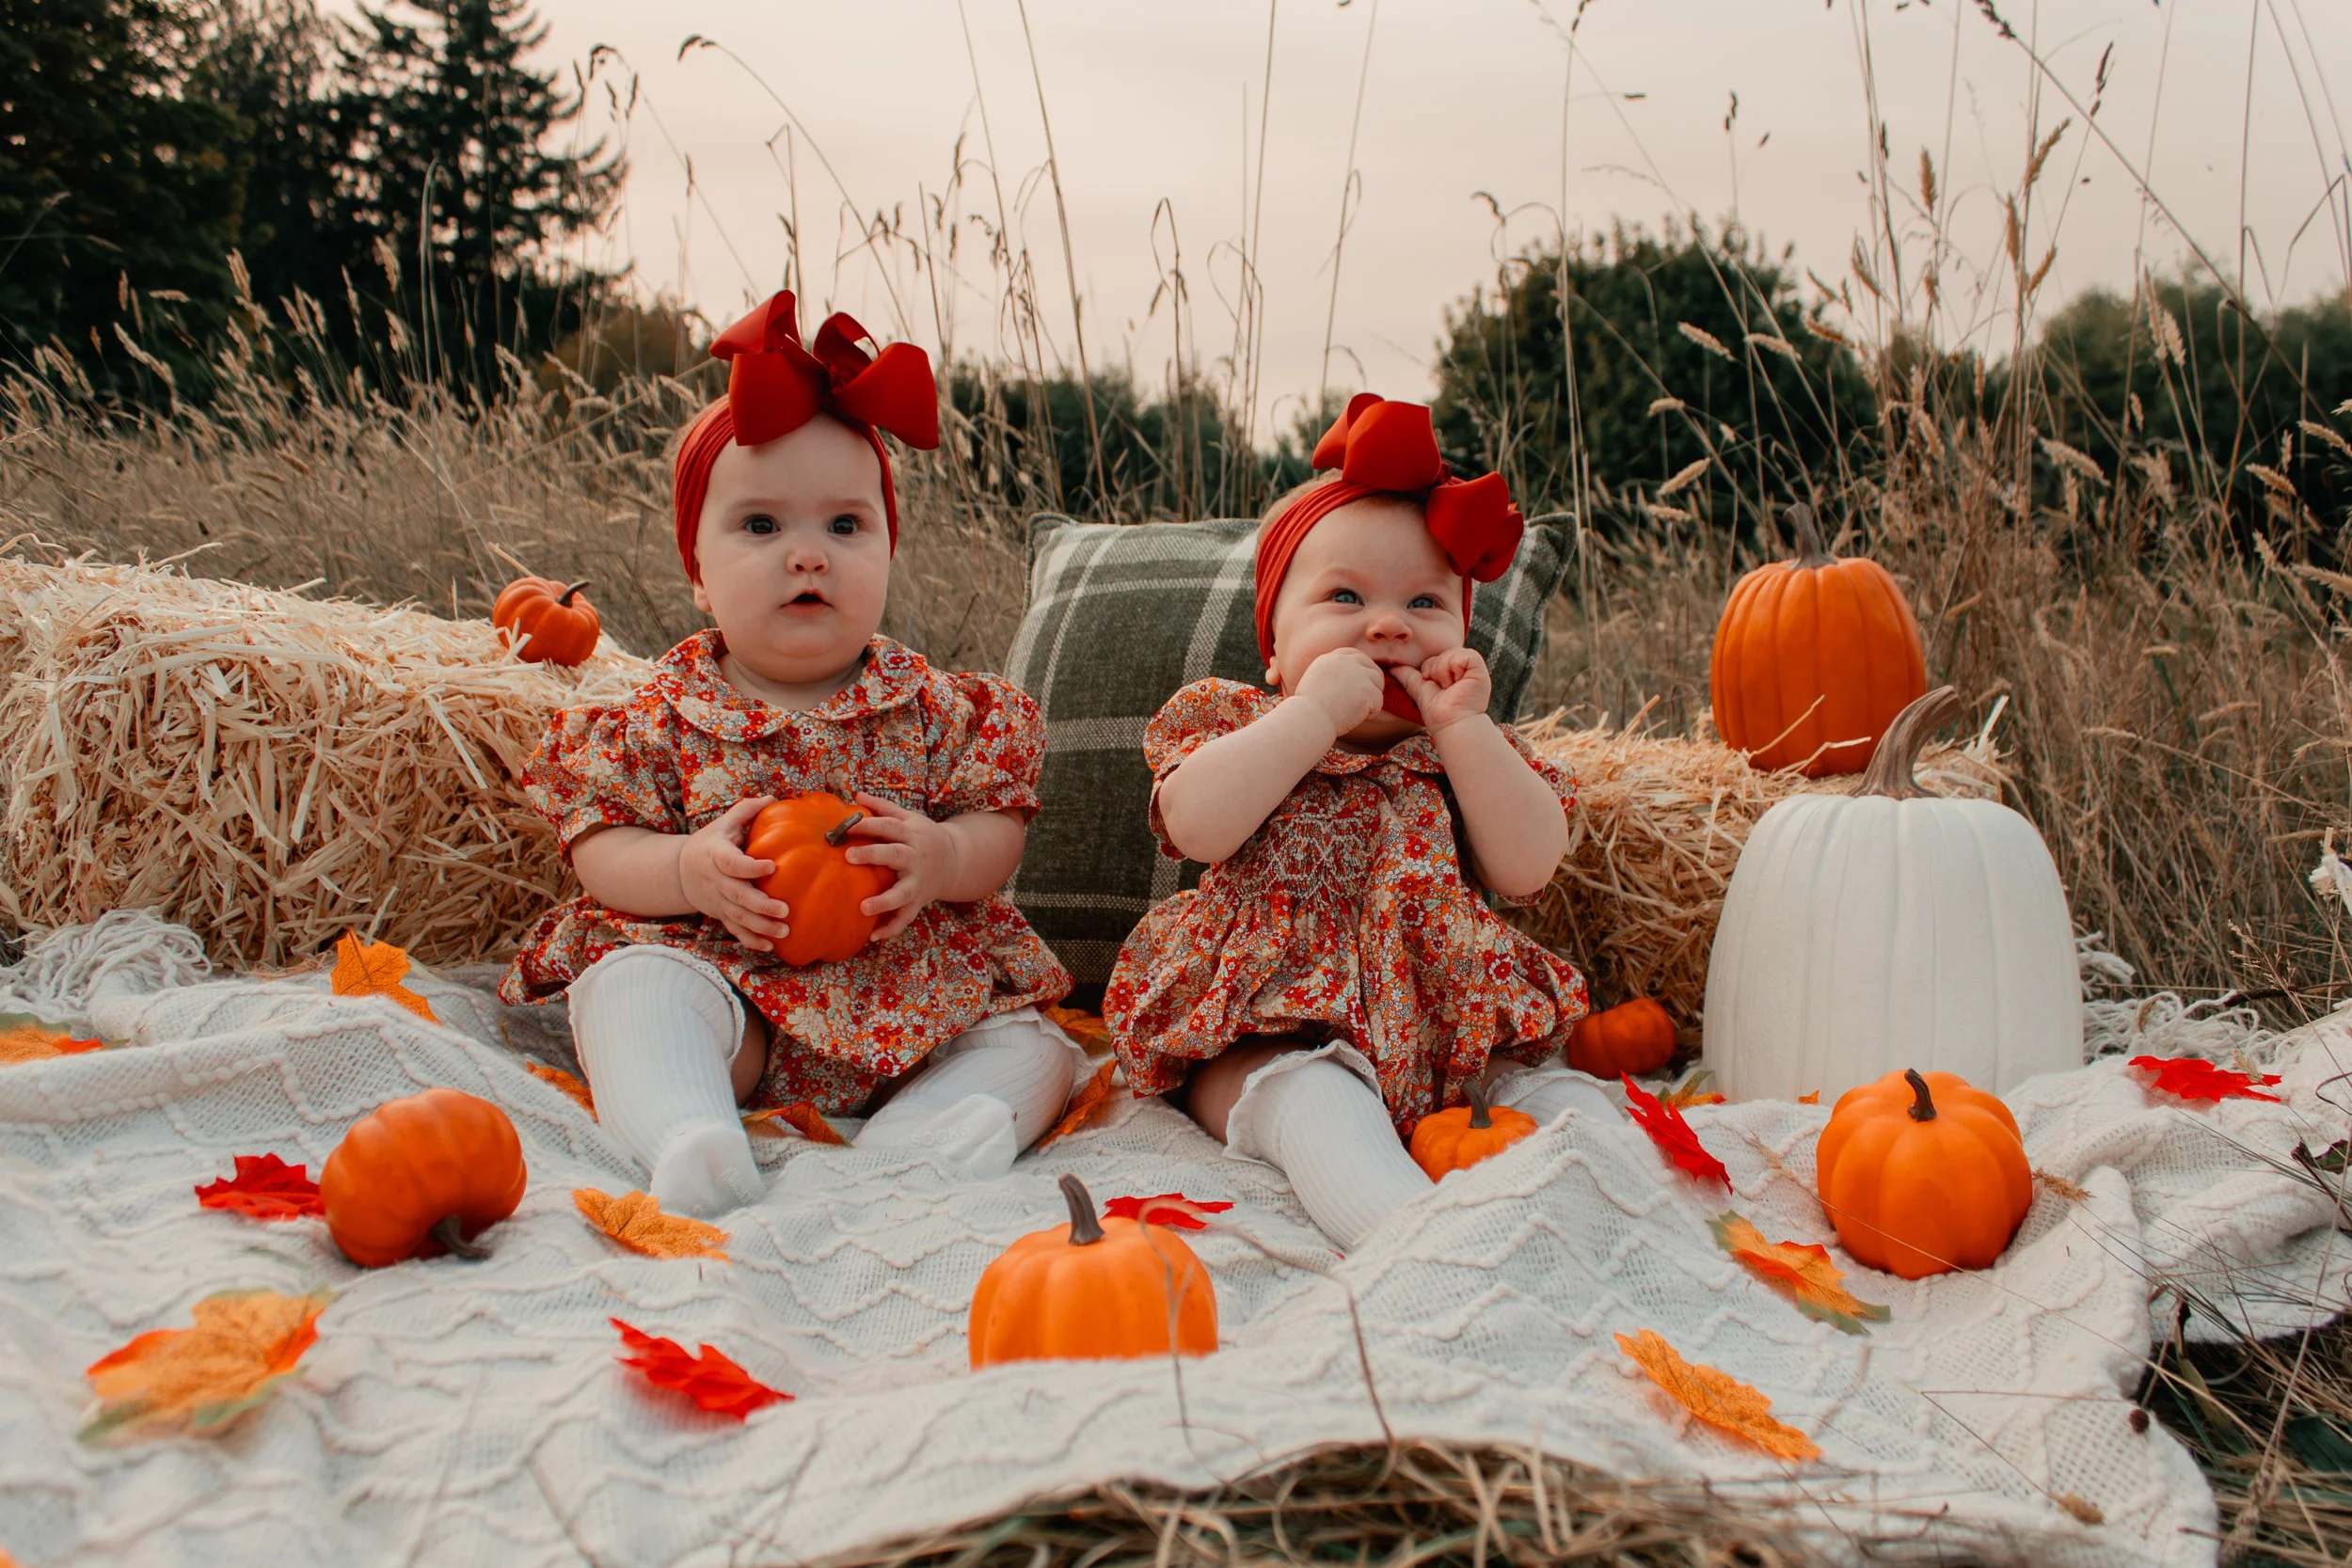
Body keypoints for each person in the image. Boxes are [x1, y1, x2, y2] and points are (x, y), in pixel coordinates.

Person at [501, 293, 1074, 1216]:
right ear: (696, 568)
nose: (808, 555)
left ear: (887, 551)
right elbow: (598, 847)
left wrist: (942, 857)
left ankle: (920, 1149)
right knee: (630, 985)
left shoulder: (935, 708)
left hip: (912, 1005)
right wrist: (687, 866)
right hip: (733, 1003)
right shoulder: (660, 714)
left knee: (1038, 1048)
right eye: (762, 526)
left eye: (845, 526)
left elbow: (996, 824)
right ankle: (689, 1134)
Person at [1103, 394, 1606, 1248]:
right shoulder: (1238, 723)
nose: (1387, 625)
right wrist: (1311, 716)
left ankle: (1579, 1219)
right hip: (1270, 1023)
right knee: (1312, 1098)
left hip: (1445, 1036)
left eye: (1423, 603)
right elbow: (1197, 826)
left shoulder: (1464, 748)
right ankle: (1407, 1235)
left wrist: (1465, 731)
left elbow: (1528, 866)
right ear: (1273, 643)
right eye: (1345, 597)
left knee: (1562, 1102)